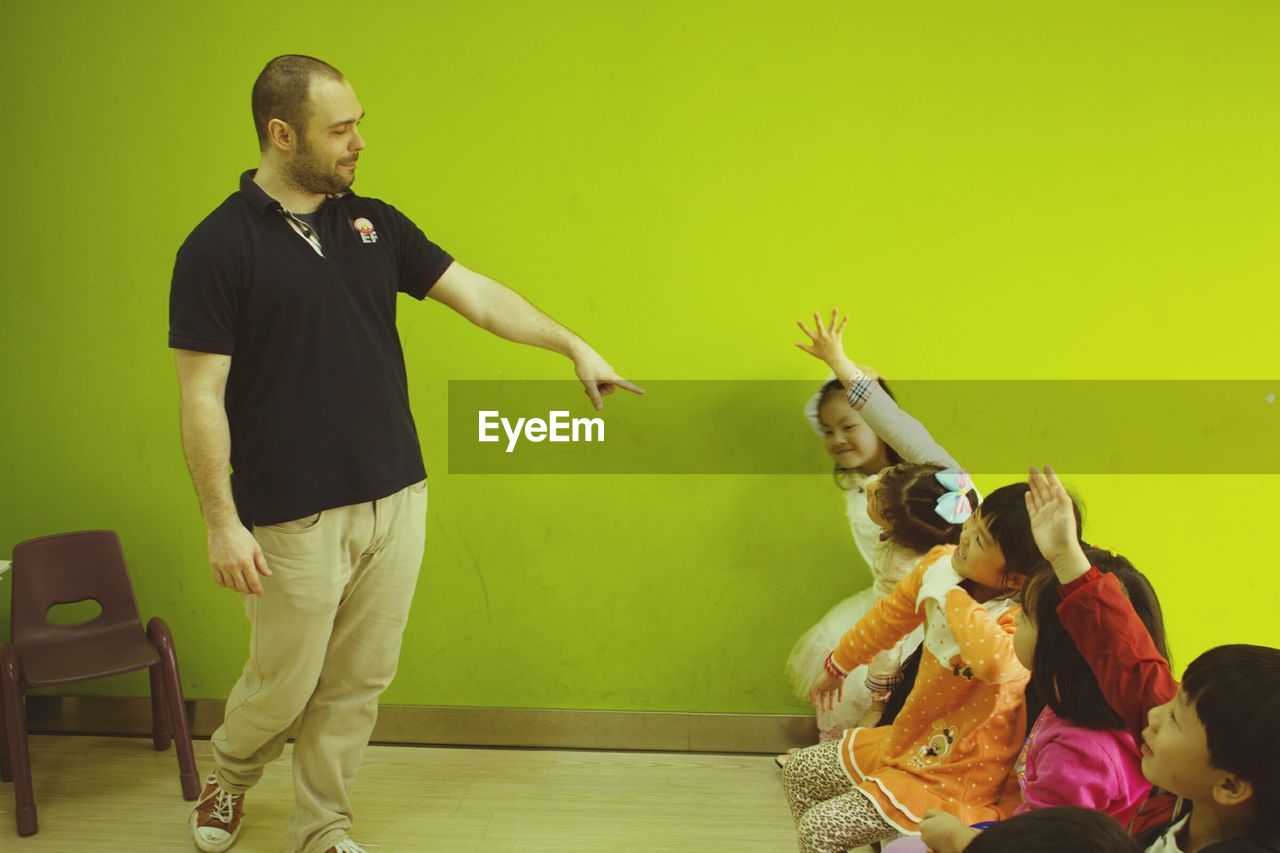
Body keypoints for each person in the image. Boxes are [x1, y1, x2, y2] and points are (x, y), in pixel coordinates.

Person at [169, 54, 641, 853]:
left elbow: (477, 293)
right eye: (341, 128)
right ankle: (231, 774)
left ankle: (323, 825)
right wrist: (222, 521)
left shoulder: (374, 222)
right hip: (291, 509)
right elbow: (200, 396)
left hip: (398, 492)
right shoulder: (216, 248)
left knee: (357, 683)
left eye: (359, 123)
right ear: (282, 134)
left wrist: (571, 344)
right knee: (283, 685)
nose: (359, 142)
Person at [780, 312, 1065, 851]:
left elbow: (994, 664)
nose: (964, 540)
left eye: (976, 542)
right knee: (801, 777)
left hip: (956, 765)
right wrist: (837, 666)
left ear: (1010, 574)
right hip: (912, 731)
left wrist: (947, 591)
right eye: (971, 527)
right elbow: (886, 619)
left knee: (826, 826)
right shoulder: (943, 544)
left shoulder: (1006, 612)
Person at [1027, 466, 1280, 852]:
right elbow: (1132, 664)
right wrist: (1066, 558)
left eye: (1176, 716)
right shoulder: (1195, 783)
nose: (1157, 713)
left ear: (1230, 786)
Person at [890, 548, 1167, 853]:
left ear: (1059, 648)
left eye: (1026, 613)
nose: (1014, 615)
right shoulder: (1087, 700)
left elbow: (1036, 846)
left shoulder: (1077, 755)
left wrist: (958, 838)